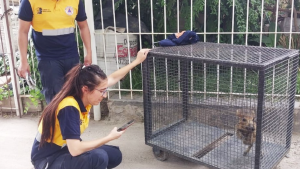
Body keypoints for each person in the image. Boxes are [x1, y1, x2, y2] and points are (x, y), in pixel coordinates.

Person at [31, 48, 150, 169]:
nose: (105, 95)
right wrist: (109, 138)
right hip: (47, 160)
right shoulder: (69, 108)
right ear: (85, 89)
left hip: (64, 149)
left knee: (114, 155)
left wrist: (137, 61)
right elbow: (75, 150)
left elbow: (114, 78)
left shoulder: (84, 96)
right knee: (98, 157)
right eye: (102, 91)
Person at [17, 0, 92, 104]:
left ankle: (73, 120)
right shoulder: (30, 2)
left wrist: (89, 52)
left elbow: (83, 26)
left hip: (71, 56)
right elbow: (23, 31)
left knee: (75, 95)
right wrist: (23, 61)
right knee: (55, 99)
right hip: (48, 59)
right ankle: (55, 120)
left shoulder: (75, 1)